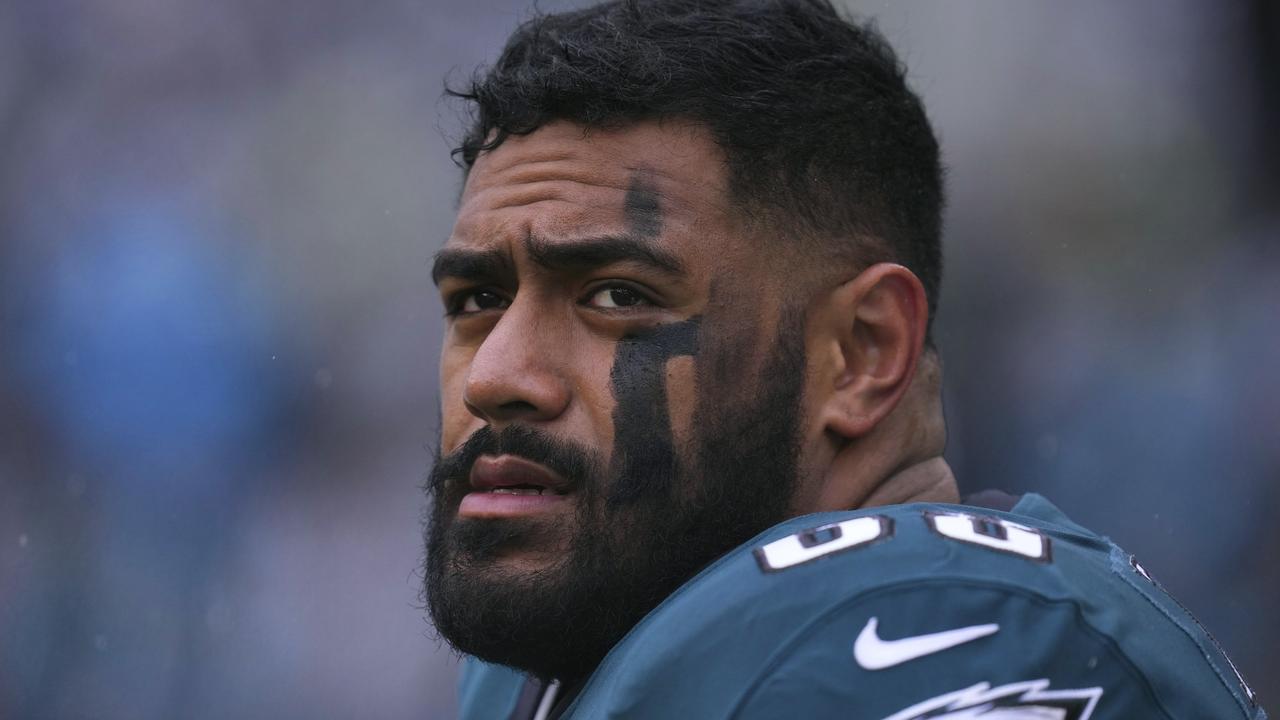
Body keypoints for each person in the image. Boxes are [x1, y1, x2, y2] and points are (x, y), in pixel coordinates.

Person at [422, 0, 1266, 718]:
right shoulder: (563, 646)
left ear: (864, 352)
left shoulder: (947, 637)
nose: (497, 375)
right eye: (478, 301)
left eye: (616, 296)